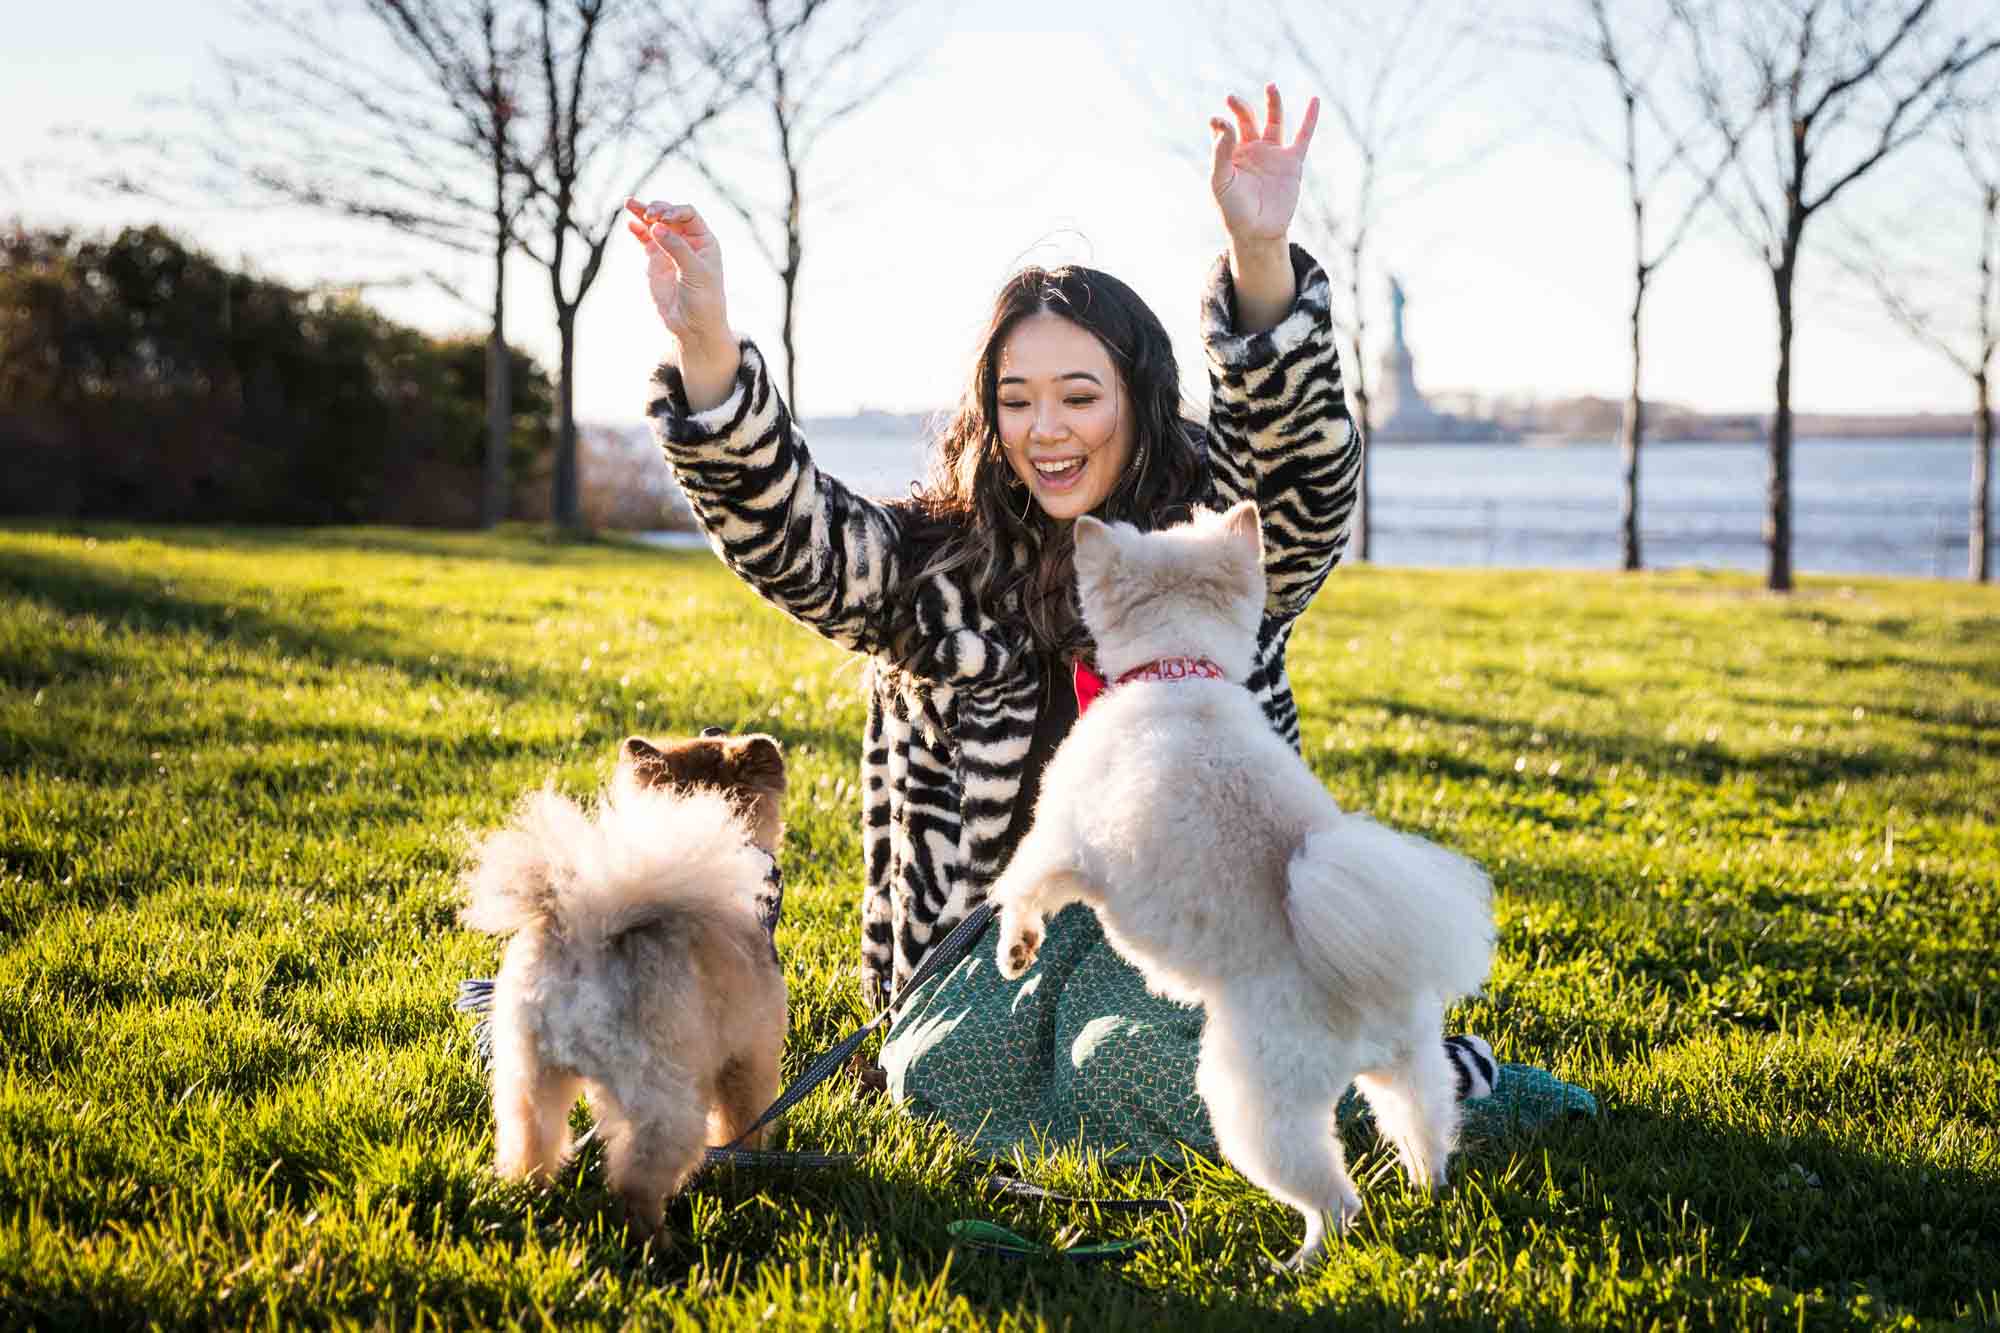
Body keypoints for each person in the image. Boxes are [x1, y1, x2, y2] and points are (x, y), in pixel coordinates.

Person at [628, 85, 1566, 1165]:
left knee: (1122, 1058)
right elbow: (788, 536)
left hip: (1194, 929)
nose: (1045, 429)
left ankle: (1429, 1085)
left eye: (1077, 394)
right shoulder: (935, 561)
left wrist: (1259, 255)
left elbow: (1303, 482)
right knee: (941, 1083)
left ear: (1136, 395)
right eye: (1016, 397)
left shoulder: (1209, 552)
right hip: (994, 945)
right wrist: (703, 334)